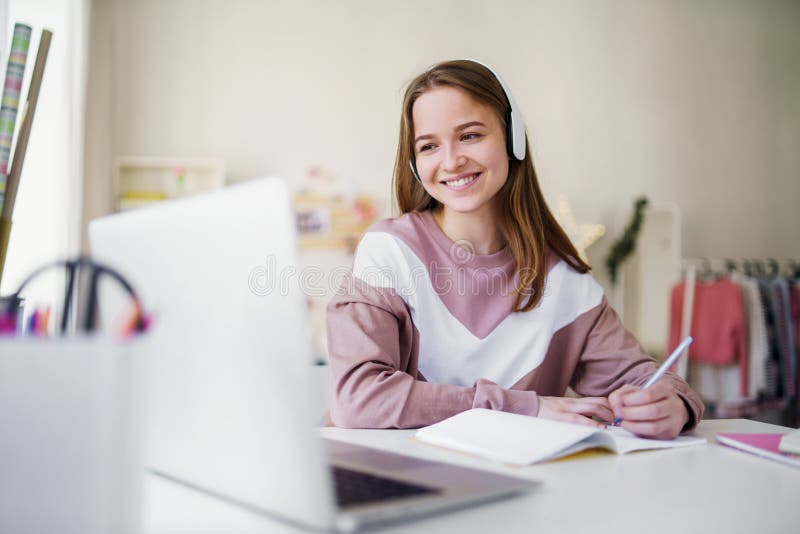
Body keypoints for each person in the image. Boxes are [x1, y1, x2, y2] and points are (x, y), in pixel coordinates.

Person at [326, 59, 703, 439]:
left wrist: (671, 403)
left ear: (512, 139)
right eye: (428, 146)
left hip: (521, 487)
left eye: (470, 135)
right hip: (405, 485)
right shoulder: (388, 252)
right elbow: (357, 398)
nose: (452, 160)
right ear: (414, 162)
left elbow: (642, 379)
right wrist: (526, 407)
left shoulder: (564, 279)